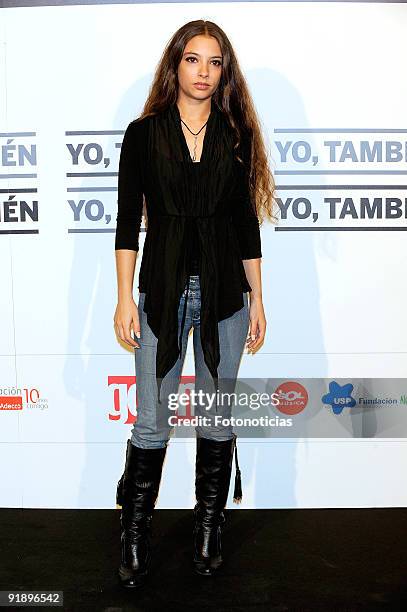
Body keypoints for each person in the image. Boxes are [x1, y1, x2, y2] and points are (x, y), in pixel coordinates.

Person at [113, 19, 277, 588]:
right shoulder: (143, 134)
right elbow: (126, 226)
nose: (204, 72)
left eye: (215, 63)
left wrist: (257, 299)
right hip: (159, 291)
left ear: (223, 72)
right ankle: (134, 536)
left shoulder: (237, 135)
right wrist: (123, 299)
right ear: (175, 65)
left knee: (216, 415)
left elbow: (245, 226)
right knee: (153, 421)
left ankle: (209, 530)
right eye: (193, 60)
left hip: (225, 295)